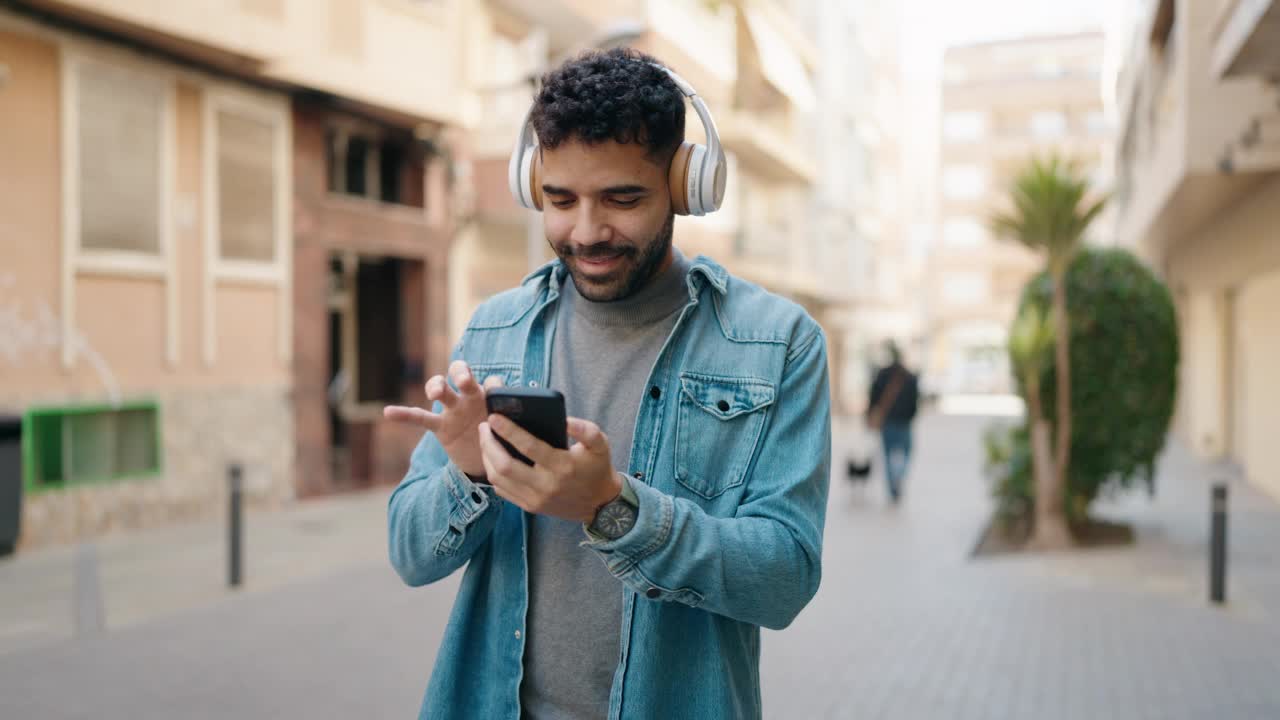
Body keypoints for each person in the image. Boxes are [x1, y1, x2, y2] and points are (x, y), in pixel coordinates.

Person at [382, 49, 831, 720]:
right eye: (561, 200)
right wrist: (469, 474)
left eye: (622, 199)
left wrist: (611, 507)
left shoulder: (778, 343)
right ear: (532, 184)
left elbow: (784, 579)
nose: (587, 232)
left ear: (686, 184)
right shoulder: (493, 331)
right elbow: (411, 556)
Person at [866, 341, 919, 504]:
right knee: (907, 452)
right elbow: (915, 401)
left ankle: (892, 487)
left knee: (888, 455)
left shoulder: (882, 374)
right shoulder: (909, 376)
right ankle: (899, 476)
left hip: (887, 422)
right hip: (904, 422)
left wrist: (869, 416)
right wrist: (910, 416)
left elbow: (873, 397)